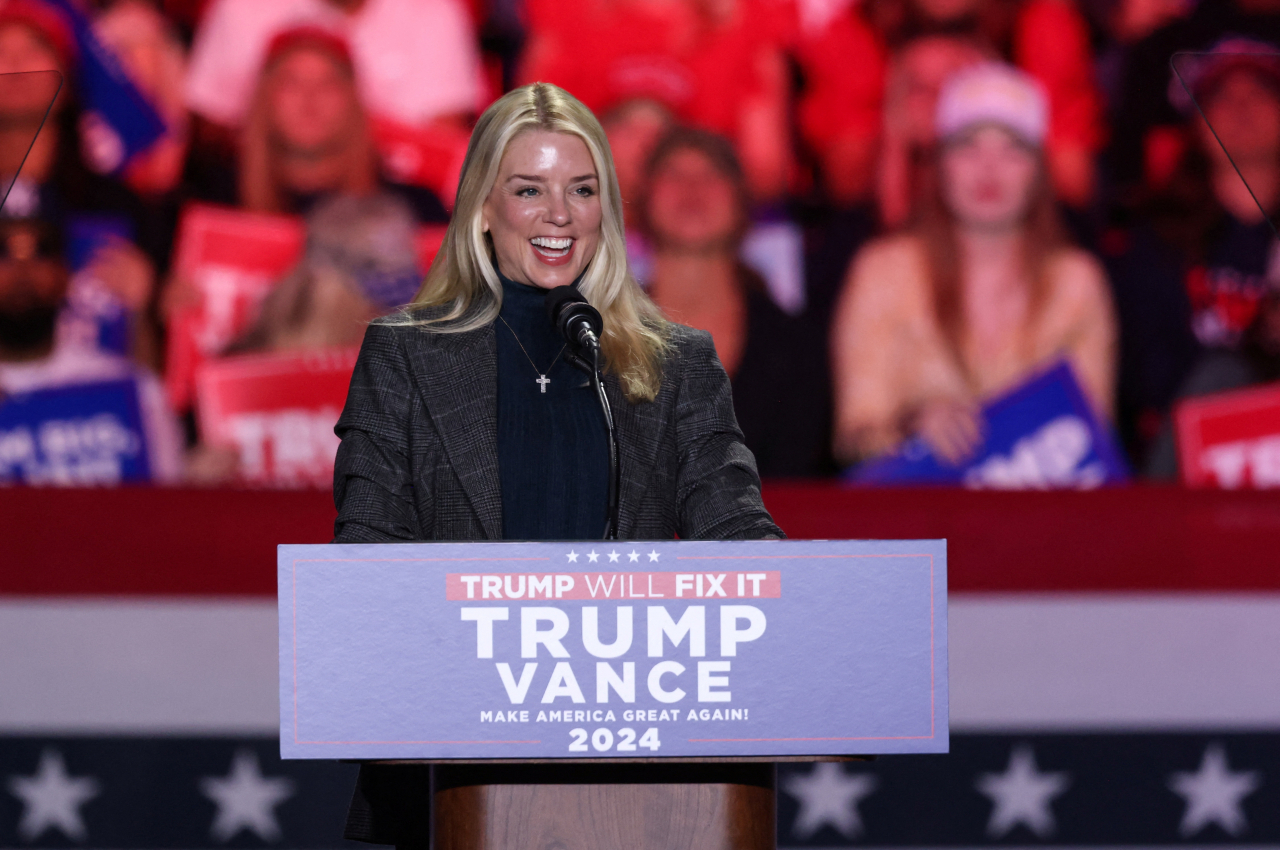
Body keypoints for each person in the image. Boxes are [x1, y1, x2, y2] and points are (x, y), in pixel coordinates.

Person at [332, 81, 781, 844]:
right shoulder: (403, 357)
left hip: (642, 790)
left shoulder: (679, 364)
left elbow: (736, 530)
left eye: (582, 189)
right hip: (450, 780)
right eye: (528, 190)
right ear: (482, 207)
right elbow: (367, 560)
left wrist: (794, 600)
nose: (559, 215)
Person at [830, 63, 1117, 466]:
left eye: (1012, 148)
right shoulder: (884, 272)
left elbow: (1092, 439)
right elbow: (853, 437)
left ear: (1038, 169)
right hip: (917, 514)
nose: (989, 168)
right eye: (968, 146)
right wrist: (911, 428)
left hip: (1034, 517)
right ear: (939, 164)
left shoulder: (1076, 281)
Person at [1107, 41, 1280, 475]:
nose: (1241, 109)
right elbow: (1142, 384)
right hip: (1189, 458)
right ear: (1197, 125)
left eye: (1259, 94)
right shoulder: (1153, 241)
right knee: (1221, 374)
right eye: (1222, 97)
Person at [639, 127, 832, 476]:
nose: (692, 189)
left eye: (713, 174)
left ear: (741, 200)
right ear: (643, 200)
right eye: (673, 174)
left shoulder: (795, 343)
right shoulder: (597, 335)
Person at [190, 26, 448, 222]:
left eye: (328, 83)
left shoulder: (416, 211)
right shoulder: (209, 203)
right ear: (264, 100)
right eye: (291, 82)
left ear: (354, 103)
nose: (309, 98)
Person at [0, 215, 183, 482]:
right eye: (2, 252)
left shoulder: (120, 384)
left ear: (65, 276)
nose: (22, 271)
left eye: (41, 251)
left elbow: (165, 500)